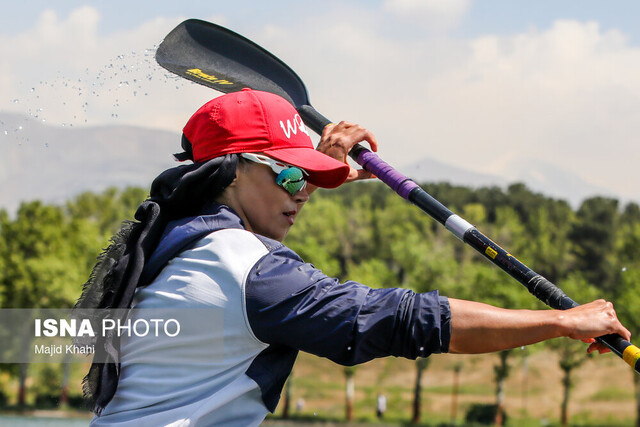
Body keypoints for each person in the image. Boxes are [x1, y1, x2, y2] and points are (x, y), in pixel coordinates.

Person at [81, 88, 630, 426]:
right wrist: (560, 321)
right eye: (290, 175)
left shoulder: (168, 240)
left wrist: (314, 172)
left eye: (306, 179)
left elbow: (242, 262)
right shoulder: (250, 272)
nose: (301, 192)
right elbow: (407, 321)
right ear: (231, 170)